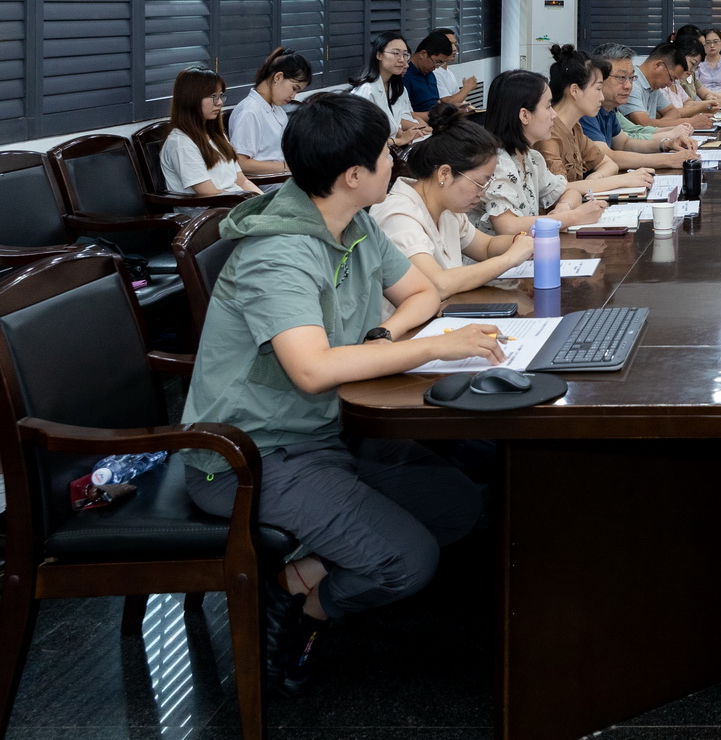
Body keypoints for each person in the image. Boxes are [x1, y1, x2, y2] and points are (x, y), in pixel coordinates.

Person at [180, 92, 504, 696]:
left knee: (457, 506)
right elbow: (311, 370)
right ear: (353, 175)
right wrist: (432, 348)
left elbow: (422, 293)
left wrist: (383, 338)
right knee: (409, 561)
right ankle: (301, 604)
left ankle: (303, 572)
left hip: (325, 429)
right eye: (386, 153)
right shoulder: (278, 253)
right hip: (251, 456)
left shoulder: (355, 223)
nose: (395, 162)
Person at [372, 103, 535, 298]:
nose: (483, 192)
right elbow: (438, 284)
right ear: (444, 174)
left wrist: (522, 241)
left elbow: (486, 247)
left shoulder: (447, 208)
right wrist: (510, 258)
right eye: (480, 182)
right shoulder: (398, 214)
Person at [475, 69, 605, 235]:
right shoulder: (497, 164)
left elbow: (569, 191)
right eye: (548, 106)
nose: (554, 114)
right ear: (525, 115)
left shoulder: (531, 159)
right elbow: (508, 227)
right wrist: (573, 217)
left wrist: (563, 207)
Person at [542, 45, 656, 194]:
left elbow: (609, 164)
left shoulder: (575, 129)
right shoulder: (548, 134)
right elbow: (558, 190)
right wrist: (622, 180)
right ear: (575, 91)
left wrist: (593, 182)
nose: (601, 97)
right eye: (598, 89)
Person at [582, 48, 700, 169]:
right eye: (621, 77)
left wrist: (666, 144)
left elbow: (624, 143)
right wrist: (668, 159)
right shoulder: (586, 111)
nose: (628, 86)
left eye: (631, 78)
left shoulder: (609, 110)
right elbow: (605, 156)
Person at [162, 66, 262, 197]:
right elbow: (209, 194)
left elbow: (242, 181)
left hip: (236, 201)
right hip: (215, 207)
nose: (219, 102)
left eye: (220, 95)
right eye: (213, 96)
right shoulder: (181, 143)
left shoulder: (216, 135)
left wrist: (265, 201)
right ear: (191, 99)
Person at [232, 46, 311, 176]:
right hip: (269, 182)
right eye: (294, 88)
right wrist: (286, 167)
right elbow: (241, 163)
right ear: (278, 77)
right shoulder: (250, 111)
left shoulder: (277, 109)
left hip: (283, 178)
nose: (293, 96)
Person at [350, 30, 429, 146]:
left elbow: (395, 128)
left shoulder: (394, 87)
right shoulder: (366, 90)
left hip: (391, 150)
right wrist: (400, 140)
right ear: (379, 55)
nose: (402, 59)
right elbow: (361, 139)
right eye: (396, 53)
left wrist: (407, 135)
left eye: (405, 54)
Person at [624, 41, 714, 128]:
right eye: (671, 78)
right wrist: (690, 122)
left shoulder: (653, 86)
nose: (669, 84)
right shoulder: (632, 82)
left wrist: (661, 124)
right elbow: (644, 124)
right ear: (658, 65)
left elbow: (673, 112)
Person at [403, 32, 455, 113]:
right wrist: (438, 115)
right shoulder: (405, 76)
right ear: (423, 54)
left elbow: (435, 104)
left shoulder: (430, 75)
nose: (436, 67)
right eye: (437, 62)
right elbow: (405, 114)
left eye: (441, 63)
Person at [431, 26, 479, 110]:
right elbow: (447, 103)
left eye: (455, 44)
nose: (454, 49)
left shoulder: (449, 72)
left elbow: (458, 101)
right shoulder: (434, 73)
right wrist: (467, 88)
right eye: (449, 45)